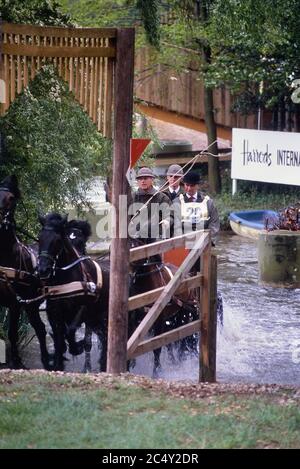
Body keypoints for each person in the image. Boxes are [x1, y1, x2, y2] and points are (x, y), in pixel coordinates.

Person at [129, 166, 174, 242]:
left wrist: (167, 221)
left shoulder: (161, 197)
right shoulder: (132, 198)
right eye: (140, 179)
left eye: (145, 178)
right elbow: (125, 217)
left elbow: (170, 215)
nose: (143, 181)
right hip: (136, 236)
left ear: (152, 179)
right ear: (137, 181)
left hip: (156, 236)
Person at [179, 171, 220, 245]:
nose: (189, 188)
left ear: (198, 186)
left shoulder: (208, 202)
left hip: (204, 241)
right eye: (187, 185)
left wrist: (209, 241)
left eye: (192, 186)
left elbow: (214, 223)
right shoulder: (178, 202)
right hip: (183, 242)